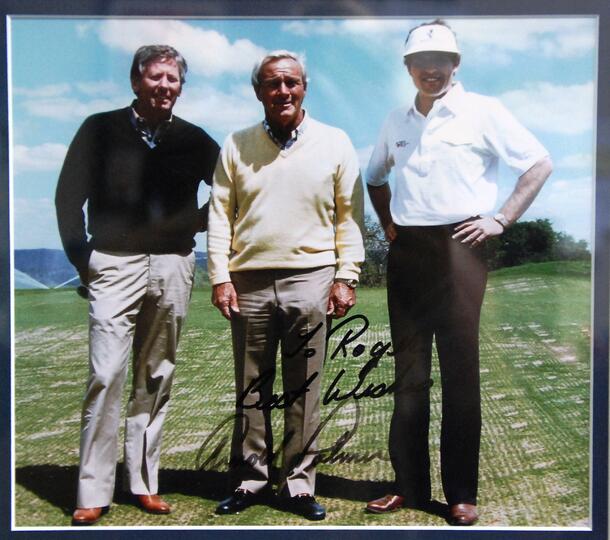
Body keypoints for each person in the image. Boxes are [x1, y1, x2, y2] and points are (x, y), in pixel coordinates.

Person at [364, 21, 553, 525]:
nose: (431, 70)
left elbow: (537, 163)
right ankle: (408, 484)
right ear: (407, 68)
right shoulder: (395, 120)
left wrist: (500, 219)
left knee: (459, 374)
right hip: (409, 251)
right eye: (421, 62)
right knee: (408, 376)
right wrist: (387, 224)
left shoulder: (484, 111)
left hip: (461, 247)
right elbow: (374, 177)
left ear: (456, 63)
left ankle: (461, 493)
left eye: (441, 60)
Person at [55, 44, 220, 525]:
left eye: (173, 79)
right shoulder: (98, 129)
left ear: (180, 88)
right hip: (112, 262)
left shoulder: (194, 139)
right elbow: (69, 195)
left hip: (173, 265)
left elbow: (231, 189)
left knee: (156, 376)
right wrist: (83, 259)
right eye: (155, 77)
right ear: (135, 82)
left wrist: (193, 222)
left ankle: (144, 483)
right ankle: (93, 490)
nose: (164, 86)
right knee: (106, 375)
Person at [207, 50, 364, 521]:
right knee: (252, 387)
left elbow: (349, 217)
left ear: (304, 88)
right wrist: (219, 276)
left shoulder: (336, 142)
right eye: (272, 84)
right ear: (258, 91)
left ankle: (298, 485)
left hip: (312, 280)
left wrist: (345, 275)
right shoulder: (235, 145)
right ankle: (252, 479)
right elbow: (219, 215)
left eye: (291, 83)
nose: (283, 92)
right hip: (249, 281)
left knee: (305, 389)